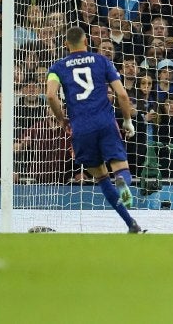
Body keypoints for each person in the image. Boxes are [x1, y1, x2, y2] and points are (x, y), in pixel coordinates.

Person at [45, 27, 143, 233]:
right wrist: (127, 121)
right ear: (86, 41)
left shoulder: (57, 67)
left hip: (80, 128)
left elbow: (51, 96)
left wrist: (62, 120)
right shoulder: (102, 61)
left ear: (66, 45)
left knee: (101, 177)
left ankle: (130, 223)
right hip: (105, 122)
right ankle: (122, 182)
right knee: (121, 169)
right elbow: (122, 95)